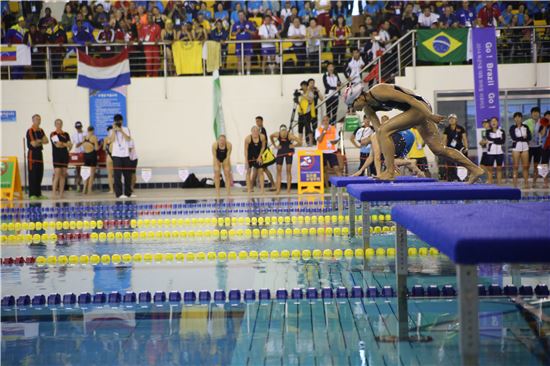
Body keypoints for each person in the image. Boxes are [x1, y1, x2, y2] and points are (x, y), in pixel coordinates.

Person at [345, 83, 484, 183]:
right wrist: (389, 158)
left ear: (358, 98)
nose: (352, 109)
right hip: (414, 112)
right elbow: (380, 134)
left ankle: (389, 173)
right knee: (438, 149)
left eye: (352, 105)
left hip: (420, 107)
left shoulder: (378, 91)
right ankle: (475, 169)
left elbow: (410, 99)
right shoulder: (368, 109)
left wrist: (429, 115)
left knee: (384, 130)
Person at [106, 114, 133, 199]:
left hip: (125, 154)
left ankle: (128, 193)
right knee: (117, 175)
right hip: (116, 155)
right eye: (116, 121)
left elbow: (128, 139)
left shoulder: (126, 129)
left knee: (127, 174)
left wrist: (121, 131)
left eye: (119, 121)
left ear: (122, 121)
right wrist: (114, 130)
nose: (118, 122)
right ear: (114, 121)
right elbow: (111, 140)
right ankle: (119, 194)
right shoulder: (111, 130)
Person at [270, 124, 302, 194]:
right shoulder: (277, 134)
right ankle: (278, 189)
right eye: (282, 132)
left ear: (286, 131)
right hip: (281, 151)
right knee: (278, 170)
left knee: (288, 170)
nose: (283, 134)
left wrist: (293, 145)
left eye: (285, 132)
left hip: (288, 152)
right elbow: (271, 136)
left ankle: (288, 190)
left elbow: (300, 142)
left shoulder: (290, 135)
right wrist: (275, 145)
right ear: (280, 131)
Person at [26, 114, 49, 199]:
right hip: (33, 154)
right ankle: (32, 194)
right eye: (36, 119)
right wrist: (40, 140)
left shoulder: (41, 130)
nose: (38, 121)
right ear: (33, 120)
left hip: (39, 153)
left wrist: (39, 141)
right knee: (33, 173)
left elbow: (46, 141)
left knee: (40, 173)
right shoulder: (30, 130)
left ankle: (38, 194)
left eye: (39, 119)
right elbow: (34, 144)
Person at [50, 119, 72, 199]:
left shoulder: (66, 134)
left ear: (62, 124)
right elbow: (57, 145)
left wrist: (63, 144)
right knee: (57, 174)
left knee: (63, 175)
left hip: (65, 156)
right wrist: (65, 144)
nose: (59, 125)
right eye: (57, 123)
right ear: (55, 125)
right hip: (57, 156)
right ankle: (53, 194)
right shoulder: (53, 134)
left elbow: (70, 145)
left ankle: (61, 193)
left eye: (60, 123)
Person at [443, 114, 468, 181]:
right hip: (450, 149)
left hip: (460, 148)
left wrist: (466, 147)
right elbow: (444, 139)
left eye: (453, 118)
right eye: (450, 119)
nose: (451, 120)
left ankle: (462, 178)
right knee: (450, 164)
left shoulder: (461, 128)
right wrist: (444, 148)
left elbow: (464, 138)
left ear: (456, 120)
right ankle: (451, 178)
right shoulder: (447, 129)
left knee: (461, 163)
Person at [316, 115, 341, 183]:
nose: (325, 122)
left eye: (326, 120)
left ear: (329, 121)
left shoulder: (333, 128)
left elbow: (337, 139)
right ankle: (326, 186)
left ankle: (342, 185)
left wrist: (334, 142)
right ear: (322, 122)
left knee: (337, 168)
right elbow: (319, 140)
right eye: (324, 120)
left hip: (331, 152)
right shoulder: (318, 129)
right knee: (324, 170)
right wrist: (324, 131)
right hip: (322, 152)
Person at [510, 111, 531, 188]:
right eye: (516, 117)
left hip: (525, 148)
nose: (518, 118)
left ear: (521, 118)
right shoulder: (512, 127)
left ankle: (526, 183)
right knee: (515, 167)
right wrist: (523, 138)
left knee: (525, 167)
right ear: (514, 119)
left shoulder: (525, 127)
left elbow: (529, 137)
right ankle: (515, 184)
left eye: (519, 117)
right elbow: (513, 137)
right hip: (516, 148)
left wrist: (522, 138)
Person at [231, 11, 256, 75]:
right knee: (239, 59)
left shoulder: (249, 23)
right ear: (238, 16)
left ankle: (248, 73)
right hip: (239, 44)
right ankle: (239, 73)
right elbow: (232, 34)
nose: (241, 16)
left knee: (248, 59)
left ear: (244, 15)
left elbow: (254, 33)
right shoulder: (235, 24)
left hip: (248, 44)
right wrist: (238, 31)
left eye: (242, 15)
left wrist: (247, 30)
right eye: (239, 15)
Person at [255, 116, 276, 190]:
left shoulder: (262, 130)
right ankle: (257, 185)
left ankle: (273, 184)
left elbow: (263, 143)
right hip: (259, 153)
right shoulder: (259, 130)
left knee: (264, 169)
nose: (257, 122)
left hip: (262, 153)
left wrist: (260, 155)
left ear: (262, 121)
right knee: (260, 169)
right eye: (256, 121)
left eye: (258, 121)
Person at [244, 126, 266, 194]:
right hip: (250, 156)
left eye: (257, 131)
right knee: (248, 171)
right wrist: (246, 161)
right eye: (254, 131)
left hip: (258, 155)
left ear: (259, 132)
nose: (255, 132)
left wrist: (260, 156)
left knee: (261, 171)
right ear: (251, 132)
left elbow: (263, 147)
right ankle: (249, 189)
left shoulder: (262, 137)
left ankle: (262, 190)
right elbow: (245, 150)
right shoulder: (248, 138)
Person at [524, 107, 543, 188]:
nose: (535, 114)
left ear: (539, 114)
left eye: (537, 112)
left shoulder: (542, 122)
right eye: (534, 112)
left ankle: (534, 182)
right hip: (528, 147)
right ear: (531, 114)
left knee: (536, 166)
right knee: (526, 166)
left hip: (538, 147)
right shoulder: (526, 122)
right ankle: (526, 181)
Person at [485, 117, 506, 185]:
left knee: (499, 169)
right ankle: (490, 184)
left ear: (497, 122)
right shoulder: (488, 131)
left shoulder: (502, 131)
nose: (494, 122)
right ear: (490, 123)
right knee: (490, 169)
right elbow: (489, 138)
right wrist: (498, 139)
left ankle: (499, 184)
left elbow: (502, 141)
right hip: (490, 153)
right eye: (492, 121)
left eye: (495, 121)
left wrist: (493, 140)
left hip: (500, 152)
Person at [82, 126, 99, 194]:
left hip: (86, 156)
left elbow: (83, 146)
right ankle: (89, 190)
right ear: (92, 131)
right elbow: (96, 148)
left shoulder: (84, 137)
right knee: (91, 174)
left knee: (86, 174)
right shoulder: (94, 137)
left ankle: (84, 189)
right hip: (92, 155)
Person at [297, 80, 314, 146]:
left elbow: (311, 100)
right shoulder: (300, 93)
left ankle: (311, 142)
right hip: (300, 113)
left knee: (308, 128)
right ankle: (299, 142)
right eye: (302, 86)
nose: (303, 87)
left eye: (304, 86)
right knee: (300, 128)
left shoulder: (310, 93)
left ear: (307, 86)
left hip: (307, 113)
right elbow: (299, 102)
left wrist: (303, 95)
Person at [72, 121, 86, 192]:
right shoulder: (74, 135)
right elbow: (72, 144)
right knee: (78, 171)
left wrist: (80, 143)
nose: (78, 129)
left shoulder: (85, 133)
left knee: (85, 170)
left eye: (79, 127)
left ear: (81, 127)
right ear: (75, 128)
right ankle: (78, 185)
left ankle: (85, 186)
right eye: (77, 128)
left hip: (84, 153)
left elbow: (85, 142)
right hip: (77, 154)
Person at [539, 111, 550, 189]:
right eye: (546, 116)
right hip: (545, 147)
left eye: (549, 116)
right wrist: (545, 126)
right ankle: (545, 182)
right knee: (543, 164)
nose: (548, 117)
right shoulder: (542, 125)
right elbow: (542, 135)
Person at [104, 125, 115, 194]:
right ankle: (117, 189)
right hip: (116, 156)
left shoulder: (106, 138)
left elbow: (104, 148)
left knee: (110, 174)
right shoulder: (116, 137)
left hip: (109, 156)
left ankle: (111, 190)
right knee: (117, 174)